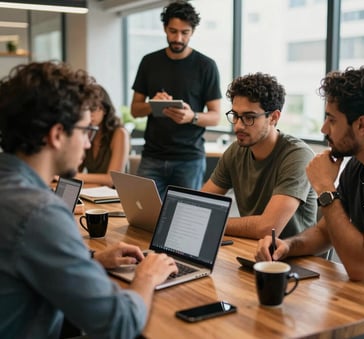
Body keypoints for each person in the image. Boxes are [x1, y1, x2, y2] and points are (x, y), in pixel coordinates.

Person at [0, 61, 177, 338]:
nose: (87, 143)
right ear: (57, 135)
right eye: (85, 131)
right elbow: (119, 324)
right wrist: (147, 277)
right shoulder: (40, 212)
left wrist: (89, 260)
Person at [256, 65, 364, 281]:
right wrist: (287, 246)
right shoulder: (357, 167)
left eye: (332, 120)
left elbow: (360, 267)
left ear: (361, 125)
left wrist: (325, 188)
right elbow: (324, 232)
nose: (323, 129)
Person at [201, 72, 317, 239]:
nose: (238, 126)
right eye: (235, 115)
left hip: (294, 259)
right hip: (250, 248)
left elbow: (268, 228)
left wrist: (213, 222)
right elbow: (201, 204)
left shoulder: (297, 156)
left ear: (274, 117)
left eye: (249, 117)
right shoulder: (235, 152)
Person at [131, 0, 221, 198]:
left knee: (184, 220)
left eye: (185, 32)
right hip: (152, 156)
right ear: (164, 28)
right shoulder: (149, 62)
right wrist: (152, 104)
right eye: (173, 31)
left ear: (193, 32)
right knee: (143, 216)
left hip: (189, 159)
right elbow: (135, 110)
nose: (178, 38)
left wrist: (192, 117)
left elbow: (216, 116)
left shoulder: (206, 66)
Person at [76, 84, 129, 187]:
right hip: (93, 192)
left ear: (105, 109)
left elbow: (112, 180)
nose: (89, 114)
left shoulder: (120, 133)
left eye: (93, 108)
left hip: (114, 197)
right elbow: (76, 169)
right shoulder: (87, 132)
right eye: (86, 109)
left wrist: (75, 176)